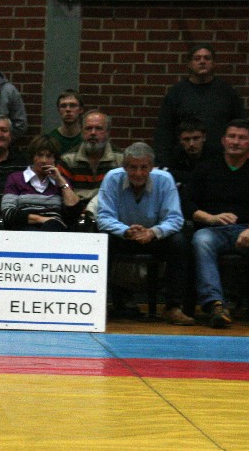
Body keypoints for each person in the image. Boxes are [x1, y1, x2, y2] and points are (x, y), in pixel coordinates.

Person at [185, 120, 249, 330]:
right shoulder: (205, 168)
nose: (236, 142)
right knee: (201, 241)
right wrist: (211, 218)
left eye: (242, 138)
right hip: (212, 230)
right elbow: (188, 204)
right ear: (223, 140)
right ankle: (215, 304)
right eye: (232, 137)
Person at [96, 142, 194, 326]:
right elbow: (103, 217)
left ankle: (173, 307)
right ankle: (99, 303)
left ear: (152, 167)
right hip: (123, 236)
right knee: (102, 240)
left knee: (179, 241)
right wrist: (125, 230)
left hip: (154, 237)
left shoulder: (165, 179)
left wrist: (153, 232)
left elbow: (175, 219)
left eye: (144, 167)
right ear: (124, 167)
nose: (138, 173)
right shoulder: (112, 178)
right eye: (133, 167)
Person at [153, 44, 246, 167]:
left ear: (214, 63)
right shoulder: (177, 93)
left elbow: (241, 126)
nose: (202, 62)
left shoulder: (227, 92)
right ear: (189, 64)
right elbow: (164, 130)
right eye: (197, 58)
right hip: (182, 163)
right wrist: (163, 162)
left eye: (207, 58)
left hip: (219, 162)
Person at [1, 135, 79, 232]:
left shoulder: (61, 182)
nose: (43, 160)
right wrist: (41, 219)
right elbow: (7, 213)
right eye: (39, 155)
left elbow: (74, 212)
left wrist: (61, 181)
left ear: (55, 159)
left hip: (54, 231)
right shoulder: (16, 179)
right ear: (32, 157)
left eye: (49, 156)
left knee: (52, 227)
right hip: (24, 230)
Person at [58, 109, 124, 219]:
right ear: (82, 132)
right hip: (76, 215)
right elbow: (64, 196)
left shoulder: (121, 160)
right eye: (88, 128)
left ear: (108, 132)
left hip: (110, 215)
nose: (93, 133)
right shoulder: (68, 160)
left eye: (98, 128)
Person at [164, 118, 219, 196]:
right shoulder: (174, 155)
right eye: (186, 139)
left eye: (196, 138)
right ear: (180, 140)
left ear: (204, 137)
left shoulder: (215, 156)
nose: (191, 144)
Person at [44, 89, 84, 155]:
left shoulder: (86, 138)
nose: (68, 109)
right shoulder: (52, 139)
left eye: (72, 105)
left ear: (81, 109)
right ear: (58, 110)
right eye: (63, 106)